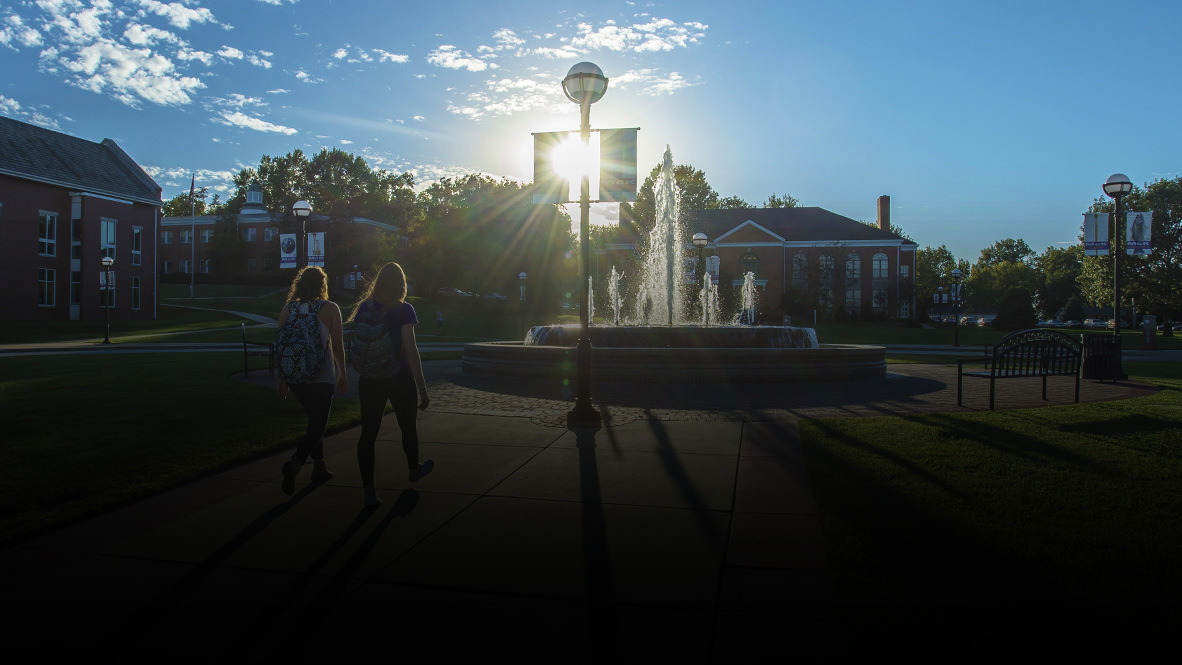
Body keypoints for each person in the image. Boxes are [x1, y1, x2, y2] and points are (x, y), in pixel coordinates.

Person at [347, 262, 432, 508]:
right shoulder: (404, 310)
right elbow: (410, 349)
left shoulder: (365, 307)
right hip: (399, 377)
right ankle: (414, 469)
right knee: (407, 428)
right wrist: (422, 388)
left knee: (368, 435)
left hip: (370, 377)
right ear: (401, 284)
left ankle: (369, 491)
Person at [276, 266, 349, 495]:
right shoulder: (330, 309)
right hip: (321, 376)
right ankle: (296, 462)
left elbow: (281, 345)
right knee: (318, 425)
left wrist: (283, 378)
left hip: (296, 377)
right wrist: (342, 373)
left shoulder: (288, 309)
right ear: (322, 284)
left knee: (314, 422)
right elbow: (337, 345)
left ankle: (319, 467)